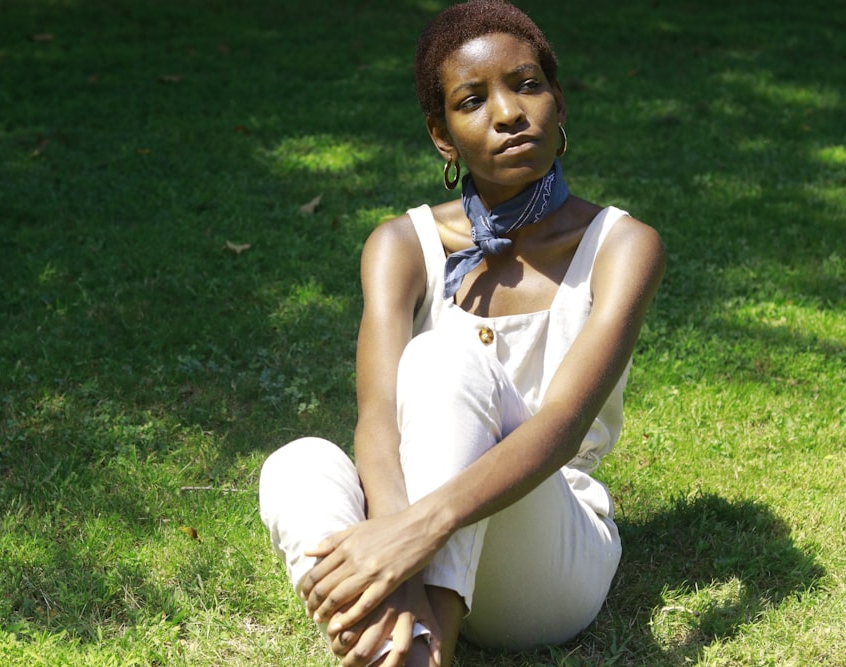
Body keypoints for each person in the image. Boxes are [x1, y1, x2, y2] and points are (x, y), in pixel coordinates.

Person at [259, 1, 665, 665]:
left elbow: (561, 423)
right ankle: (407, 648)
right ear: (442, 136)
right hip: (416, 536)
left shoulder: (622, 244)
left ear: (559, 104)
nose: (508, 112)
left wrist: (416, 531)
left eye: (527, 85)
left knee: (446, 356)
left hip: (544, 559)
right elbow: (378, 420)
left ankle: (429, 639)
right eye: (472, 100)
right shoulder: (401, 244)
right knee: (297, 463)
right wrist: (397, 536)